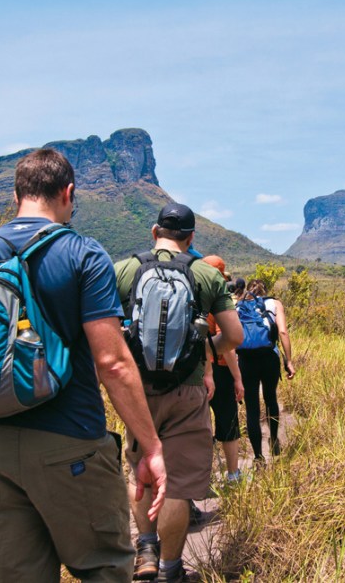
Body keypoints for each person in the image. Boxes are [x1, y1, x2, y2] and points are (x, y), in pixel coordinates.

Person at [0, 148, 166, 582]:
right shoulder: (82, 252)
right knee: (105, 570)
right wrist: (150, 446)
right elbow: (113, 363)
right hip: (72, 444)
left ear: (17, 193)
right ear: (68, 192)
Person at [115, 203, 243, 583]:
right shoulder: (205, 274)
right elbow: (234, 336)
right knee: (179, 482)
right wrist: (202, 353)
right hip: (187, 392)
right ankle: (172, 570)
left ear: (155, 233)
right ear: (190, 239)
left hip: (137, 392)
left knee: (141, 470)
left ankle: (146, 550)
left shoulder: (123, 270)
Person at [237, 279, 296, 462]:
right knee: (271, 398)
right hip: (269, 358)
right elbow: (283, 332)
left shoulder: (238, 305)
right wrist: (289, 360)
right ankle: (274, 438)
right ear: (266, 290)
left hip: (246, 360)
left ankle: (258, 456)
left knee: (252, 406)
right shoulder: (275, 303)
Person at [201, 255, 245, 483]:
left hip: (195, 371)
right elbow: (225, 341)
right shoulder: (218, 298)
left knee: (199, 427)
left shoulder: (192, 294)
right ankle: (233, 475)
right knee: (228, 422)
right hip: (218, 369)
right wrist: (237, 377)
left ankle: (201, 480)